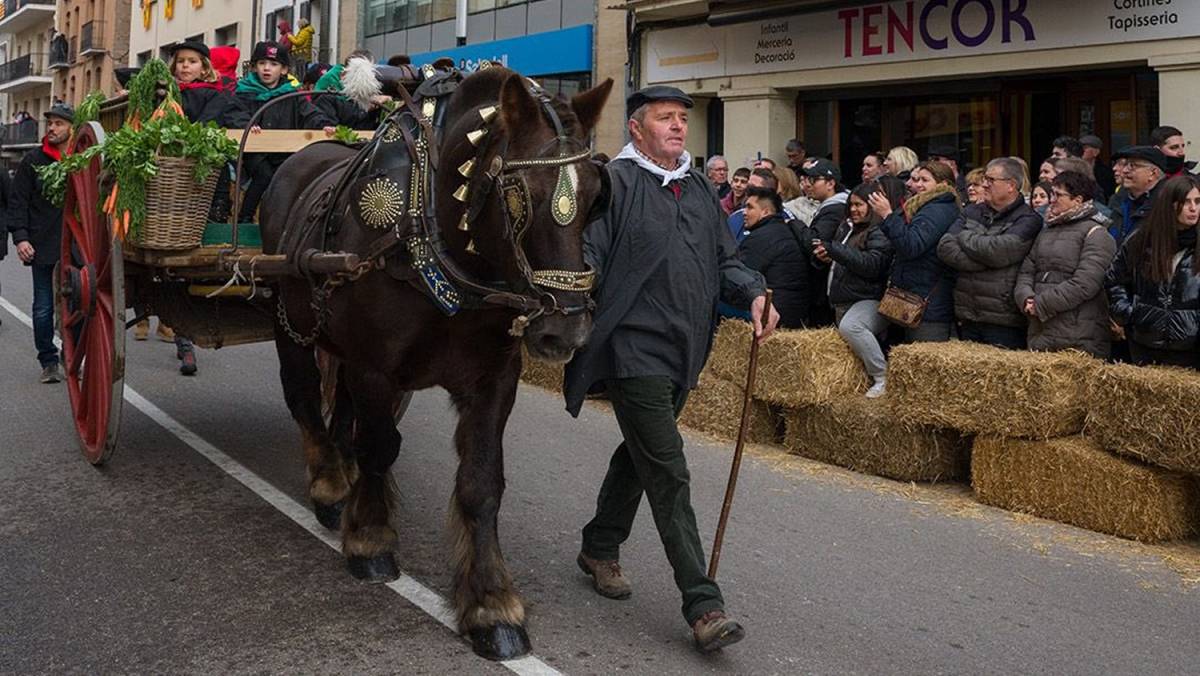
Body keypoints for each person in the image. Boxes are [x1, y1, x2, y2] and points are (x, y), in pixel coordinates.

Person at [565, 85, 776, 654]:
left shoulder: (700, 190)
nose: (680, 126)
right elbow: (590, 257)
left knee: (641, 453)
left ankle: (600, 544)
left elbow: (725, 261)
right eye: (666, 118)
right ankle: (703, 604)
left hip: (687, 347)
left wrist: (754, 291)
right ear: (638, 128)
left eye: (683, 118)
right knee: (668, 469)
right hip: (633, 350)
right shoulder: (617, 183)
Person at [936, 157, 1041, 349]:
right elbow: (945, 247)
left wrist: (965, 237)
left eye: (991, 180)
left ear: (1011, 185)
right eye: (985, 179)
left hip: (1003, 318)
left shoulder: (1028, 219)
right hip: (967, 313)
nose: (984, 184)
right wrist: (985, 261)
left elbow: (999, 252)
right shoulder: (972, 211)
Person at [1014, 171, 1117, 358]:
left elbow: (1085, 284)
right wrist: (1025, 297)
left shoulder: (1097, 234)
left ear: (1078, 200)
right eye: (1051, 194)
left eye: (1058, 195)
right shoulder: (1046, 231)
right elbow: (1027, 270)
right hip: (1041, 329)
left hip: (1079, 336)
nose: (1051, 200)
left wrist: (1041, 303)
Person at [232, 40, 335, 223]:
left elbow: (310, 113)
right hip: (256, 152)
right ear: (255, 67)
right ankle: (244, 218)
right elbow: (235, 114)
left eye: (273, 64)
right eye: (262, 63)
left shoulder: (292, 94)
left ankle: (280, 219)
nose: (267, 68)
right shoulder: (244, 92)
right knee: (263, 176)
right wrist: (247, 124)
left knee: (287, 179)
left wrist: (323, 124)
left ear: (284, 70)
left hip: (283, 152)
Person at [1105, 174, 1200, 368]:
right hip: (1145, 341)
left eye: (1198, 201)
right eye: (1185, 202)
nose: (1193, 208)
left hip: (1191, 347)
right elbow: (1115, 278)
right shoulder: (1142, 239)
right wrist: (1129, 313)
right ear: (1170, 205)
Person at [7, 103, 72, 382]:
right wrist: (21, 238)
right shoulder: (33, 160)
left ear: (72, 128)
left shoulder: (82, 159)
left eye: (59, 124)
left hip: (76, 248)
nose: (53, 128)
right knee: (43, 306)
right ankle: (48, 360)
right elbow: (17, 202)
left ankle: (72, 353)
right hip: (42, 244)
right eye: (51, 123)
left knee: (78, 305)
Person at [815, 180, 895, 397]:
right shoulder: (847, 227)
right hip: (842, 298)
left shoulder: (878, 230)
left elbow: (872, 265)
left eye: (859, 205)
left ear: (872, 205)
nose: (853, 209)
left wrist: (835, 250)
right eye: (851, 204)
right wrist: (826, 256)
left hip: (868, 298)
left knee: (853, 327)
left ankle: (882, 376)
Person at [871, 161, 960, 342]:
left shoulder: (938, 209)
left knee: (924, 361)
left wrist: (888, 215)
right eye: (917, 179)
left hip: (928, 303)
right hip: (914, 296)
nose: (917, 185)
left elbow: (912, 245)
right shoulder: (925, 206)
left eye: (925, 180)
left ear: (943, 185)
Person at [738, 186, 811, 328]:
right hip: (796, 311)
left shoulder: (760, 238)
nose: (744, 213)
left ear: (765, 212)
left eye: (750, 208)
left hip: (774, 313)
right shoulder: (783, 230)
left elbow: (740, 278)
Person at [315, 50, 393, 130]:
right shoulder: (327, 97)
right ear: (343, 75)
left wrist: (384, 103)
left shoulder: (374, 100)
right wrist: (365, 108)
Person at [1110, 145, 1168, 245]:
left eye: (1133, 166)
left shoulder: (1166, 205)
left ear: (1152, 173)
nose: (1125, 171)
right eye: (1126, 165)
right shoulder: (1119, 201)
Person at [1081, 134, 1116, 199]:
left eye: (1085, 148)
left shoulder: (1105, 173)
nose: (1081, 151)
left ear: (1096, 152)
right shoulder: (1074, 168)